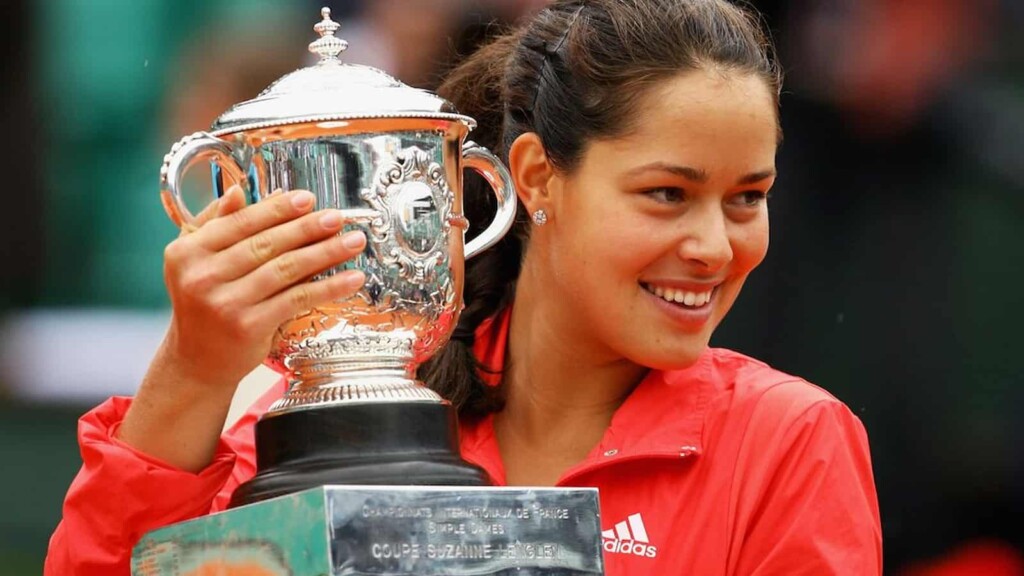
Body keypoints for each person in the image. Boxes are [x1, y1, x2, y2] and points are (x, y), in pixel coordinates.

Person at [45, 0, 883, 574]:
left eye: (748, 198)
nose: (712, 247)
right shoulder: (317, 411)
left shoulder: (789, 442)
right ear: (537, 178)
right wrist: (193, 372)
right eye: (668, 193)